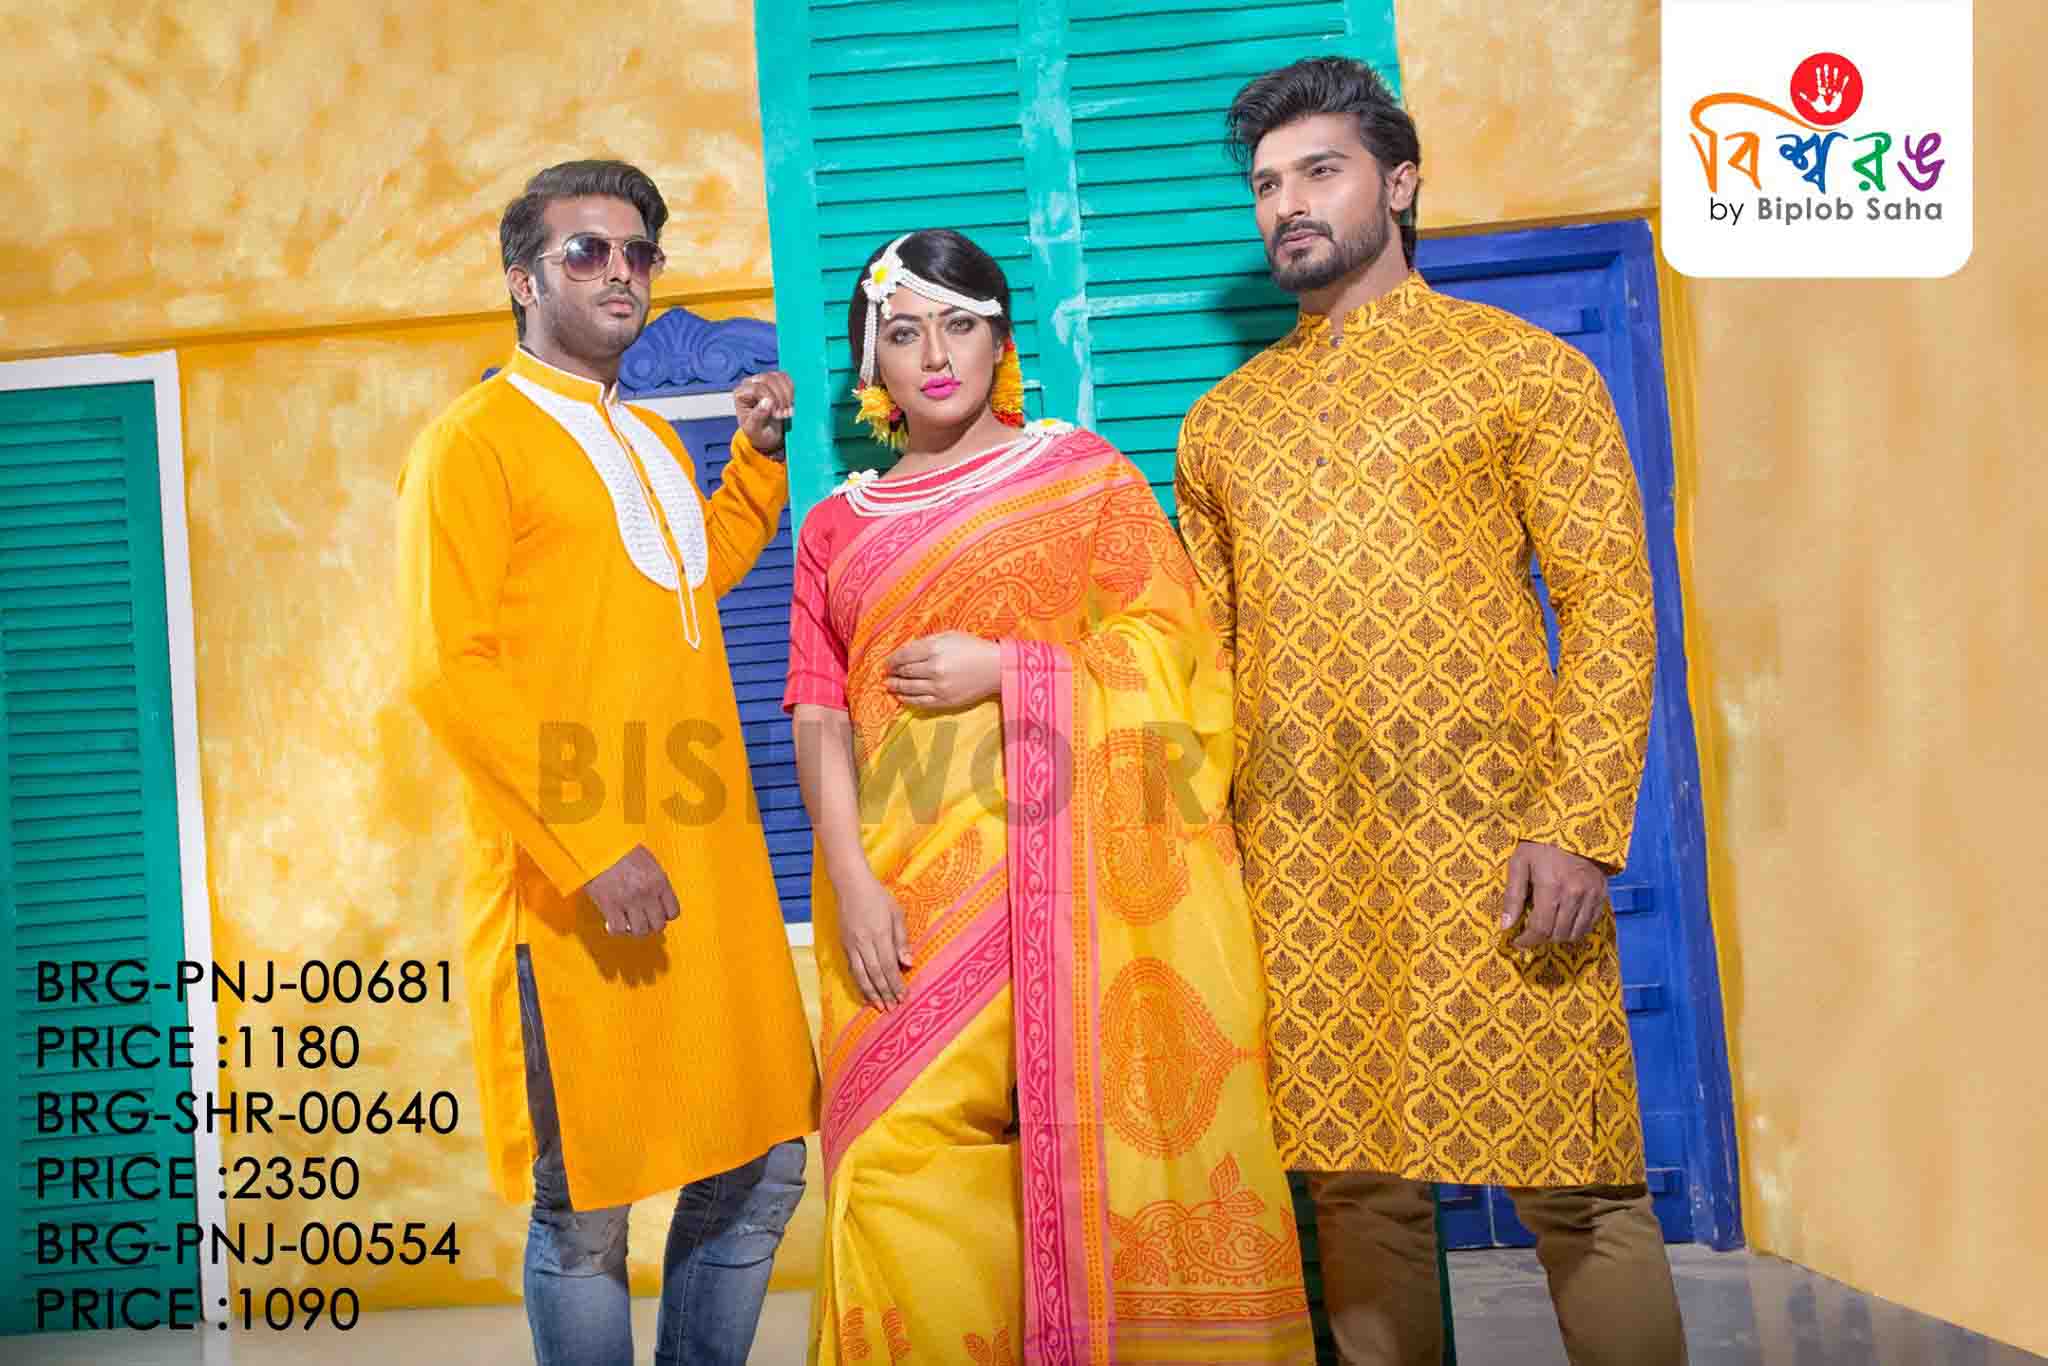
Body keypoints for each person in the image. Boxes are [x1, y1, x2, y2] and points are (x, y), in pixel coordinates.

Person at [1175, 59, 1687, 1365]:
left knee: (1578, 1182)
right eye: (1266, 184)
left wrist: (1580, 825)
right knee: (1353, 1181)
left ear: (1398, 183)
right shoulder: (1223, 425)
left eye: (1320, 171)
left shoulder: (1520, 371)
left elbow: (1611, 607)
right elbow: (1204, 658)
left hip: (1502, 843)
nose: (1287, 204)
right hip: (1302, 860)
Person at [786, 228, 1314, 1364]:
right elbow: (818, 714)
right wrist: (853, 881)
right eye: (903, 333)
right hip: (900, 888)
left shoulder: (1081, 478)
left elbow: (1179, 653)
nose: (935, 355)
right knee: (886, 1161)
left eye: (959, 325)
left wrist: (1009, 668)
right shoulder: (835, 526)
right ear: (870, 366)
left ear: (1001, 341)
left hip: (1078, 882)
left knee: (1087, 1142)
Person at [397, 158, 818, 1366]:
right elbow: (446, 669)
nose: (620, 271)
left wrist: (756, 461)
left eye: (639, 252)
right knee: (585, 1209)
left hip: (704, 869)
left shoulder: (645, 438)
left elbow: (681, 581)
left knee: (763, 1162)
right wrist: (589, 847)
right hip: (572, 884)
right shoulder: (473, 442)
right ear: (522, 279)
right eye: (585, 250)